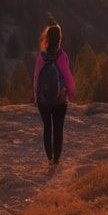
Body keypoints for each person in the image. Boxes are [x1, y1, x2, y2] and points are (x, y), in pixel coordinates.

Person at [32, 20, 74, 167]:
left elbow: (37, 76)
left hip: (43, 101)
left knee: (47, 129)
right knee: (58, 130)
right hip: (60, 100)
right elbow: (68, 76)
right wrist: (71, 92)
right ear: (60, 39)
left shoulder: (41, 56)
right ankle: (56, 161)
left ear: (47, 38)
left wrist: (36, 94)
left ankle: (49, 158)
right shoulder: (62, 56)